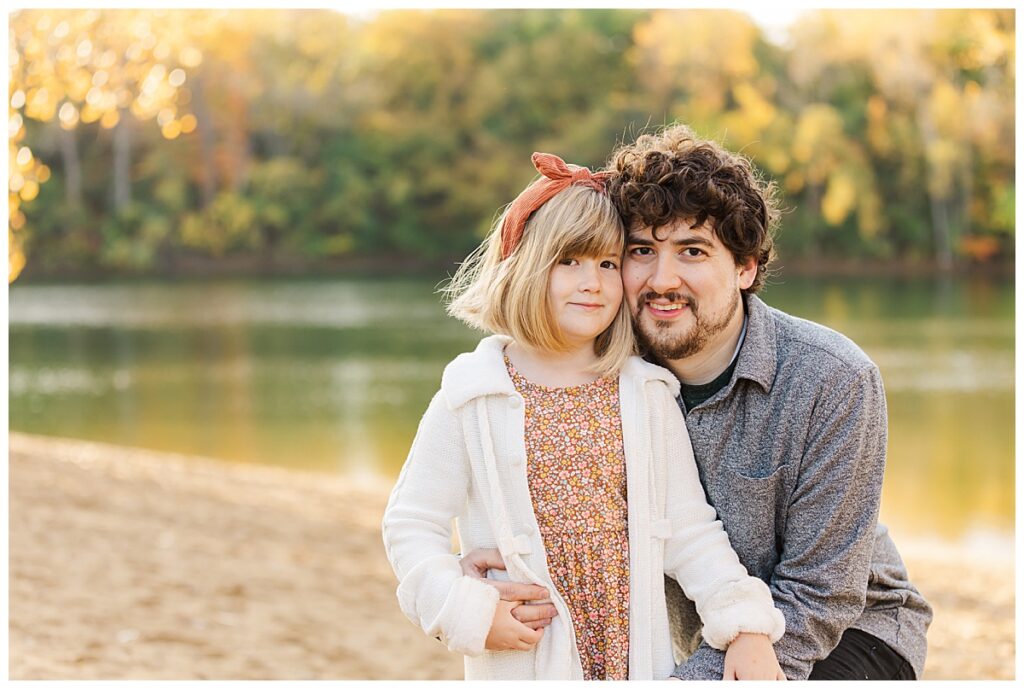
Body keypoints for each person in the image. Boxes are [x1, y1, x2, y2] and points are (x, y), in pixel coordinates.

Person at [460, 125, 933, 680]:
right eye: (642, 251)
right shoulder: (600, 375)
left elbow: (819, 600)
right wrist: (468, 579)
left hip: (848, 637)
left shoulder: (834, 379)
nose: (663, 280)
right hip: (690, 645)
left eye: (692, 251)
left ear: (745, 267)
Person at [381, 151, 786, 680]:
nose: (591, 282)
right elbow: (412, 523)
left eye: (608, 264)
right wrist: (464, 611)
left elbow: (689, 531)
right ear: (525, 268)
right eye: (568, 261)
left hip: (631, 656)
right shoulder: (472, 396)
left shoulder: (645, 393)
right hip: (524, 653)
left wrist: (745, 625)